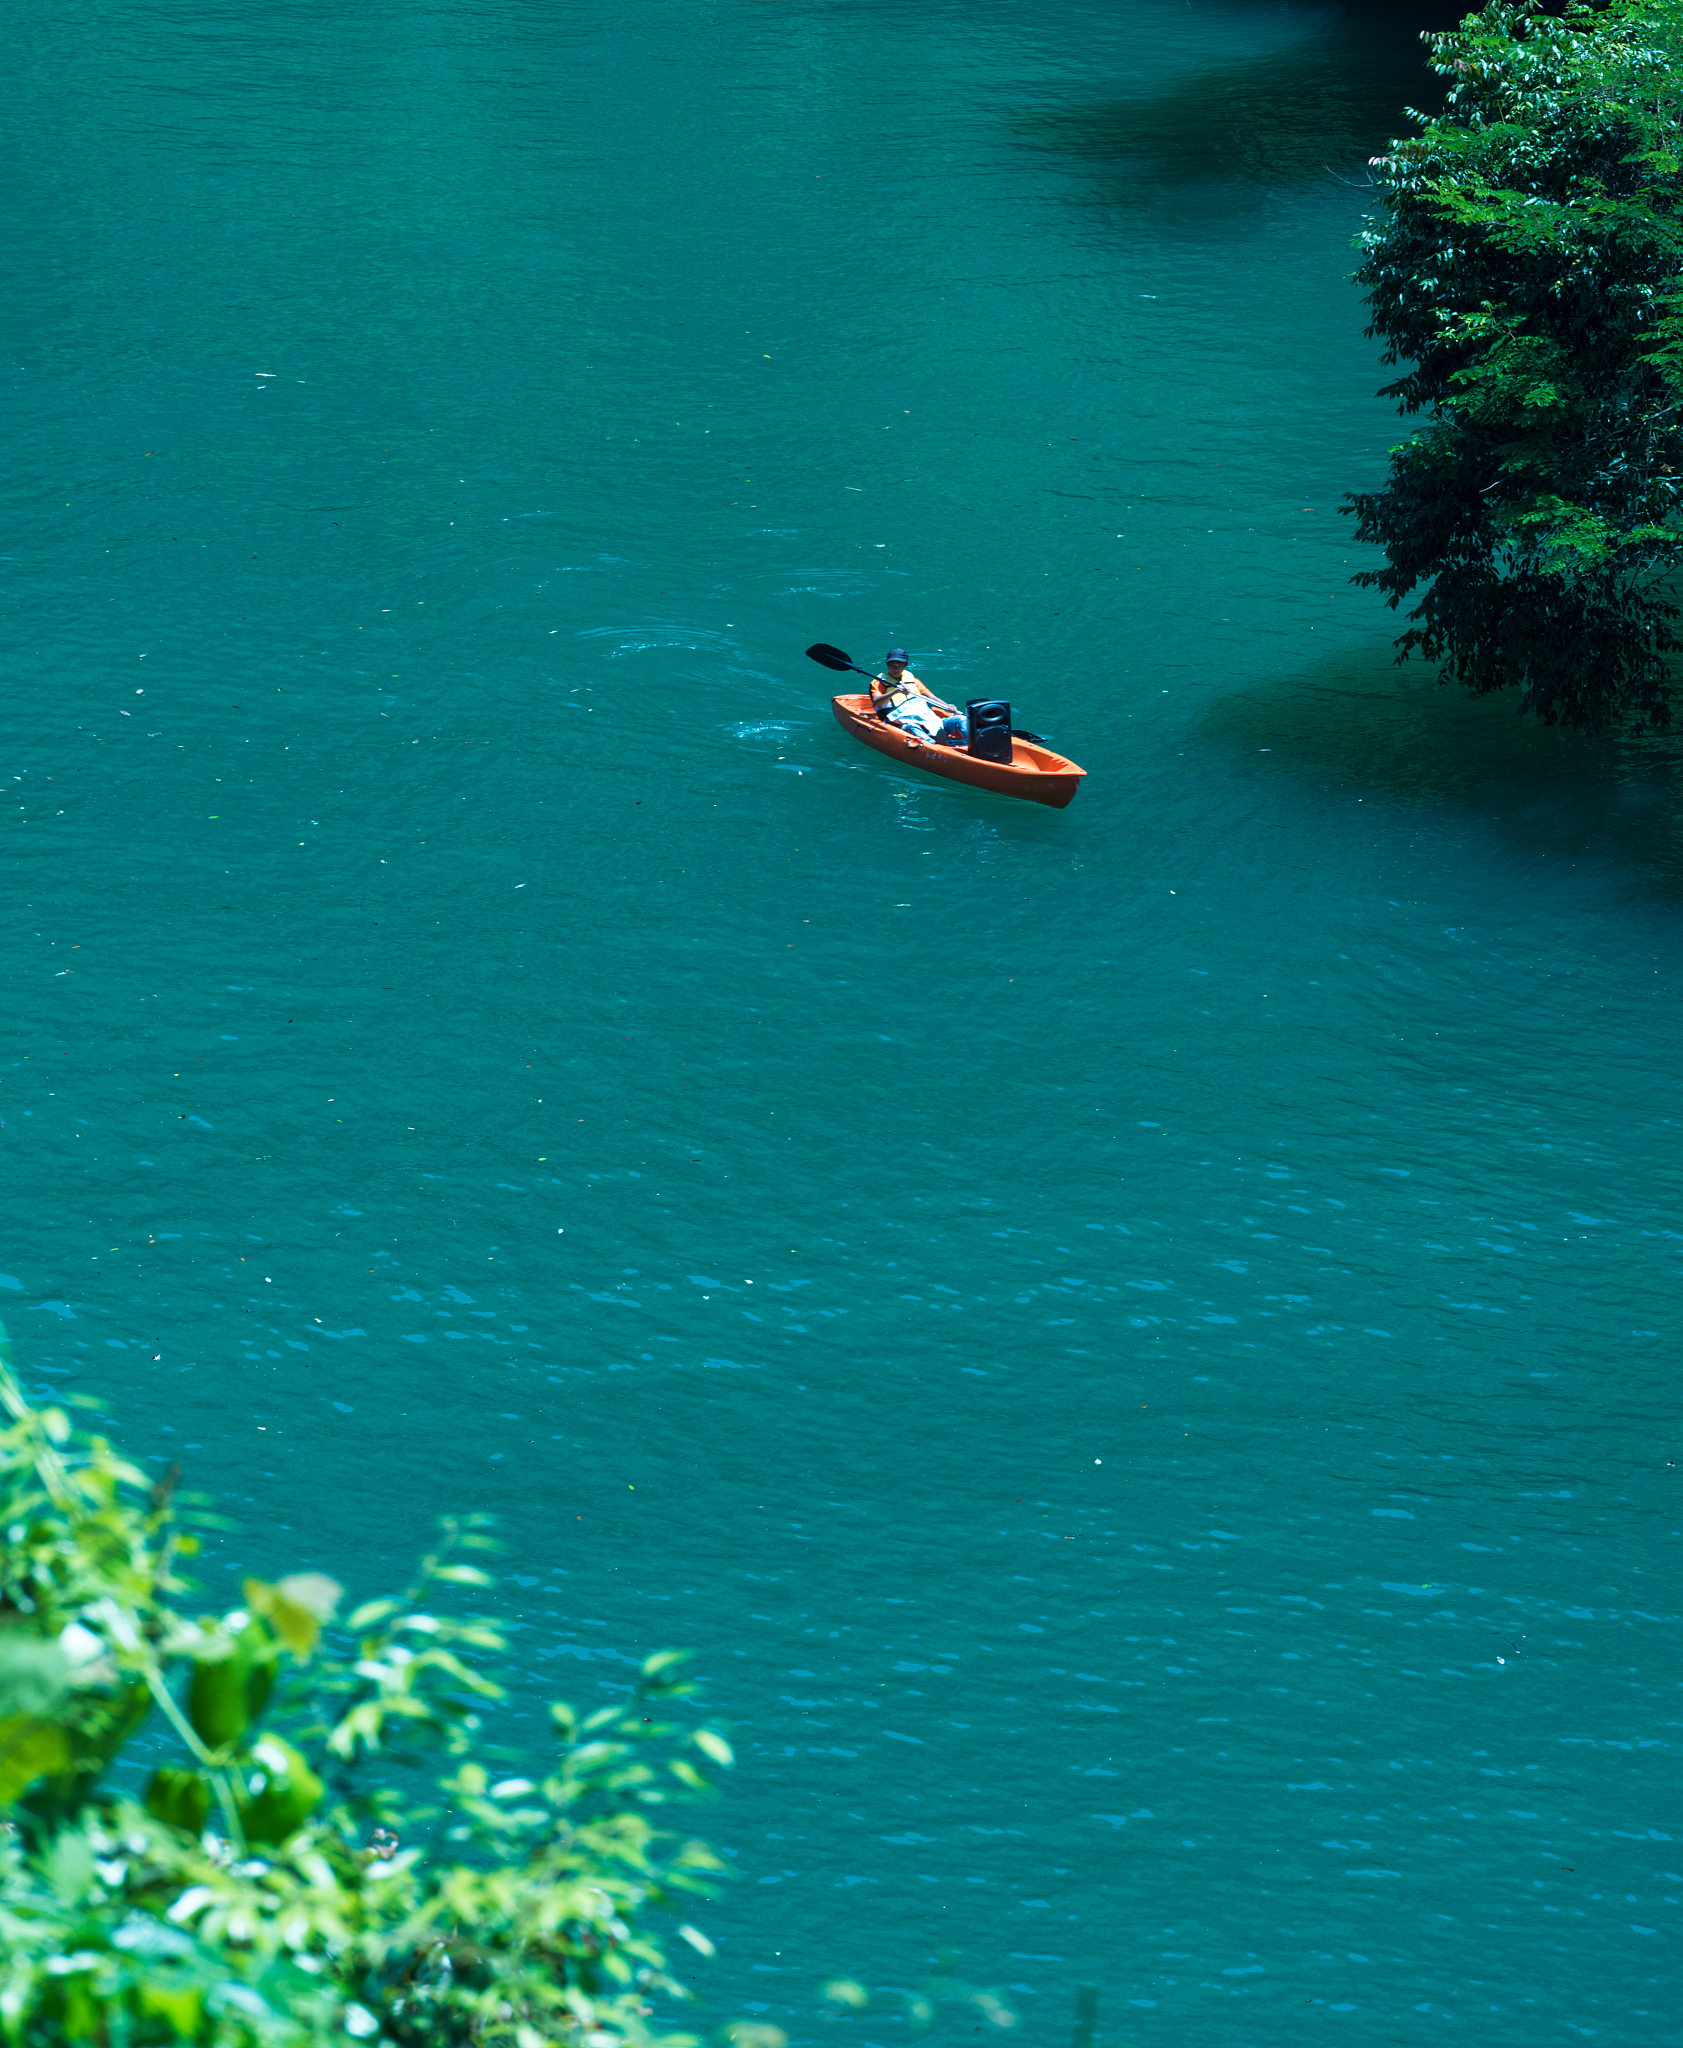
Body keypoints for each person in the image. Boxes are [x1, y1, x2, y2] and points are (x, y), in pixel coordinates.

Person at [869, 650, 967, 747]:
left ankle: (971, 743)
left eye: (899, 666)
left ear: (906, 665)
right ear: (887, 664)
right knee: (911, 727)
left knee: (961, 719)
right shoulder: (878, 683)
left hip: (927, 719)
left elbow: (931, 697)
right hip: (904, 721)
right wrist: (896, 691)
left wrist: (947, 706)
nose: (895, 669)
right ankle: (934, 744)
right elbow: (876, 702)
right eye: (892, 665)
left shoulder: (913, 681)